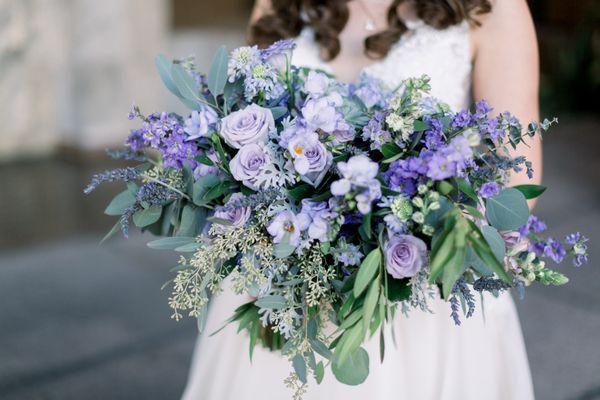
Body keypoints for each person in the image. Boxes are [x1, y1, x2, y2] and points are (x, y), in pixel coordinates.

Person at [182, 1, 541, 398]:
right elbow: (246, 114)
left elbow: (511, 177)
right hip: (286, 287)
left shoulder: (493, 8)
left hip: (422, 293)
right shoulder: (278, 4)